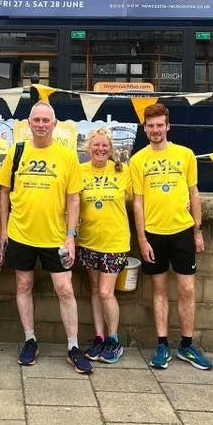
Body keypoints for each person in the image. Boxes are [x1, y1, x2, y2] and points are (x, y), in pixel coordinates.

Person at [0, 102, 94, 375]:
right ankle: (30, 341)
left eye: (45, 120)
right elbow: (3, 193)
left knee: (65, 289)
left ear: (54, 123)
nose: (40, 124)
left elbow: (74, 199)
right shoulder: (17, 152)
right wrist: (3, 231)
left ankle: (73, 347)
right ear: (29, 123)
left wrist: (71, 236)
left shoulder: (66, 156)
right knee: (23, 285)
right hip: (20, 234)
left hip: (55, 238)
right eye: (36, 120)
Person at [129, 103, 212, 371]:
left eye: (160, 125)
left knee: (187, 289)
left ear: (168, 126)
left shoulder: (185, 155)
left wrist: (197, 230)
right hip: (153, 234)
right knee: (160, 290)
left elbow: (194, 193)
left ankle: (187, 345)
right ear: (145, 128)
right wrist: (141, 239)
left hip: (182, 232)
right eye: (150, 126)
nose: (155, 130)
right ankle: (162, 344)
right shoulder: (138, 160)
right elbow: (138, 202)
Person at [77, 128, 131, 364]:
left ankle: (113, 339)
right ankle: (98, 336)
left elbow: (139, 198)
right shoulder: (79, 172)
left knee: (106, 292)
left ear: (111, 149)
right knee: (95, 290)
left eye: (104, 146)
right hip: (88, 240)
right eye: (96, 145)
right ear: (89, 148)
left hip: (115, 240)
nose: (100, 149)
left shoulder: (122, 170)